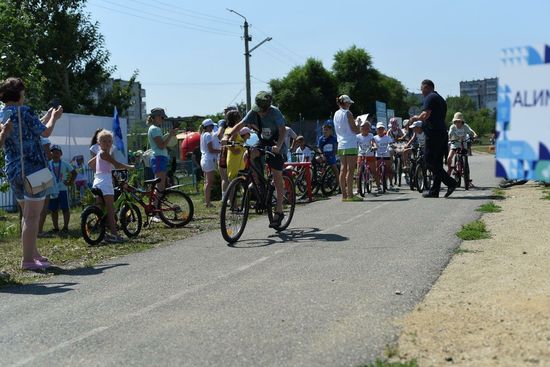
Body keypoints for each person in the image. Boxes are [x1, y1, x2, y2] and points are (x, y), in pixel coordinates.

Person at [0, 77, 63, 270]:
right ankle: (27, 260)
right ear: (19, 94)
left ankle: (33, 253)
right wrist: (55, 117)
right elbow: (45, 132)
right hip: (33, 169)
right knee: (32, 217)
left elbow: (30, 129)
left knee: (26, 214)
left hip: (13, 169)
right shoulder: (25, 111)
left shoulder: (2, 113)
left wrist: (46, 115)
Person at [229, 91, 287, 228]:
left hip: (276, 144)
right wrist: (229, 136)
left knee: (277, 176)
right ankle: (258, 184)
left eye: (261, 111)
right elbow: (241, 124)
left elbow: (283, 130)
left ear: (266, 108)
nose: (259, 113)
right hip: (263, 141)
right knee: (248, 155)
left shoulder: (275, 113)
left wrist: (278, 146)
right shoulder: (253, 112)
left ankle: (279, 211)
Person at [410, 79, 457, 198]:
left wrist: (415, 118)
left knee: (429, 161)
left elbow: (426, 114)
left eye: (422, 89)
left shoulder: (430, 97)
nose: (421, 92)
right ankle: (434, 191)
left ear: (427, 87)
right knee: (437, 163)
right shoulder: (441, 99)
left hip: (433, 134)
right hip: (442, 133)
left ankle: (451, 183)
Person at [88, 130, 134, 243]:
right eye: (104, 141)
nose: (107, 143)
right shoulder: (104, 154)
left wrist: (98, 170)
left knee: (101, 209)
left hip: (97, 180)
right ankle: (114, 235)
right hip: (105, 181)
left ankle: (102, 234)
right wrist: (130, 167)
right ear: (99, 143)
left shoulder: (99, 154)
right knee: (110, 209)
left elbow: (89, 163)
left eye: (109, 141)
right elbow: (117, 165)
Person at [333, 95, 361, 201]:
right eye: (348, 103)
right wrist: (358, 123)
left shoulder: (336, 113)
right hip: (350, 143)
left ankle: (344, 195)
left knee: (342, 169)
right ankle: (350, 195)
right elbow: (355, 130)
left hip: (341, 144)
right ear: (345, 103)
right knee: (350, 170)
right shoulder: (348, 113)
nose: (350, 105)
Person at [48, 145, 76, 235]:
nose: (55, 154)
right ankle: (56, 228)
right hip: (52, 190)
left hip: (63, 189)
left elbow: (74, 173)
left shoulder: (64, 163)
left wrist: (70, 182)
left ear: (61, 154)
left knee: (65, 208)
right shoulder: (48, 164)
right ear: (50, 154)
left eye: (57, 153)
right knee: (53, 210)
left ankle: (65, 227)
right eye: (53, 153)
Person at [147, 107, 176, 194]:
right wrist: (170, 135)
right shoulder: (155, 129)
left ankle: (155, 206)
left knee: (160, 186)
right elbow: (161, 146)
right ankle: (155, 206)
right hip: (159, 158)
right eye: (162, 117)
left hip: (159, 158)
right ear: (156, 117)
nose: (163, 119)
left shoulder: (154, 129)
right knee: (160, 187)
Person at [199, 118, 221, 207]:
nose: (212, 127)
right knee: (209, 182)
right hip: (208, 160)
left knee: (206, 182)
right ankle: (208, 202)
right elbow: (211, 150)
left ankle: (207, 201)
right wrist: (221, 150)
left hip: (204, 159)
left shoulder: (203, 134)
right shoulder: (208, 135)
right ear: (207, 127)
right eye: (211, 126)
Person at [356, 120, 380, 193]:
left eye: (367, 127)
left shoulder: (371, 135)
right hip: (361, 155)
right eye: (363, 127)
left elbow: (373, 142)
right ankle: (358, 189)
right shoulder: (357, 136)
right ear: (360, 128)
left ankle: (379, 186)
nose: (365, 129)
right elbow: (355, 144)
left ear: (369, 129)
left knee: (374, 171)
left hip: (370, 155)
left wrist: (374, 146)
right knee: (358, 172)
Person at [373, 122, 395, 191]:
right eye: (379, 129)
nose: (380, 130)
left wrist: (392, 145)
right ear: (376, 129)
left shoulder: (387, 137)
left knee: (389, 169)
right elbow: (372, 144)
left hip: (386, 154)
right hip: (378, 155)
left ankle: (391, 184)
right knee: (377, 170)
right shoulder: (374, 138)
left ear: (384, 129)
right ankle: (379, 184)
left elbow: (391, 143)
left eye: (382, 128)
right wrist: (373, 147)